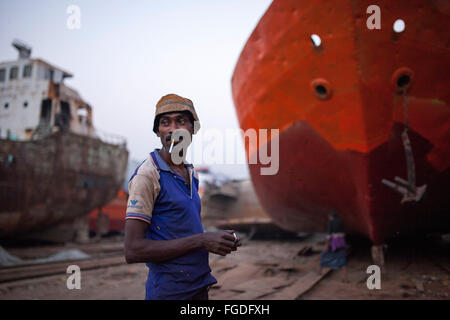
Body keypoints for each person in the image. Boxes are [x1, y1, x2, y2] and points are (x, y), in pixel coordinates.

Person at [124, 94, 241, 300]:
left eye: (181, 121)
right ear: (158, 131)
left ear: (192, 129)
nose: (172, 128)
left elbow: (182, 229)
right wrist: (202, 240)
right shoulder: (148, 175)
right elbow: (133, 250)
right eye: (165, 122)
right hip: (170, 292)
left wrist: (218, 241)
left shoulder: (191, 173)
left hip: (199, 286)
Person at [318, 210, 349, 282]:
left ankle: (319, 272)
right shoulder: (340, 221)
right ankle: (346, 278)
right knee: (342, 260)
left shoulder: (330, 222)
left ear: (330, 216)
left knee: (324, 256)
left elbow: (329, 234)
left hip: (334, 242)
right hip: (341, 242)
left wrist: (326, 245)